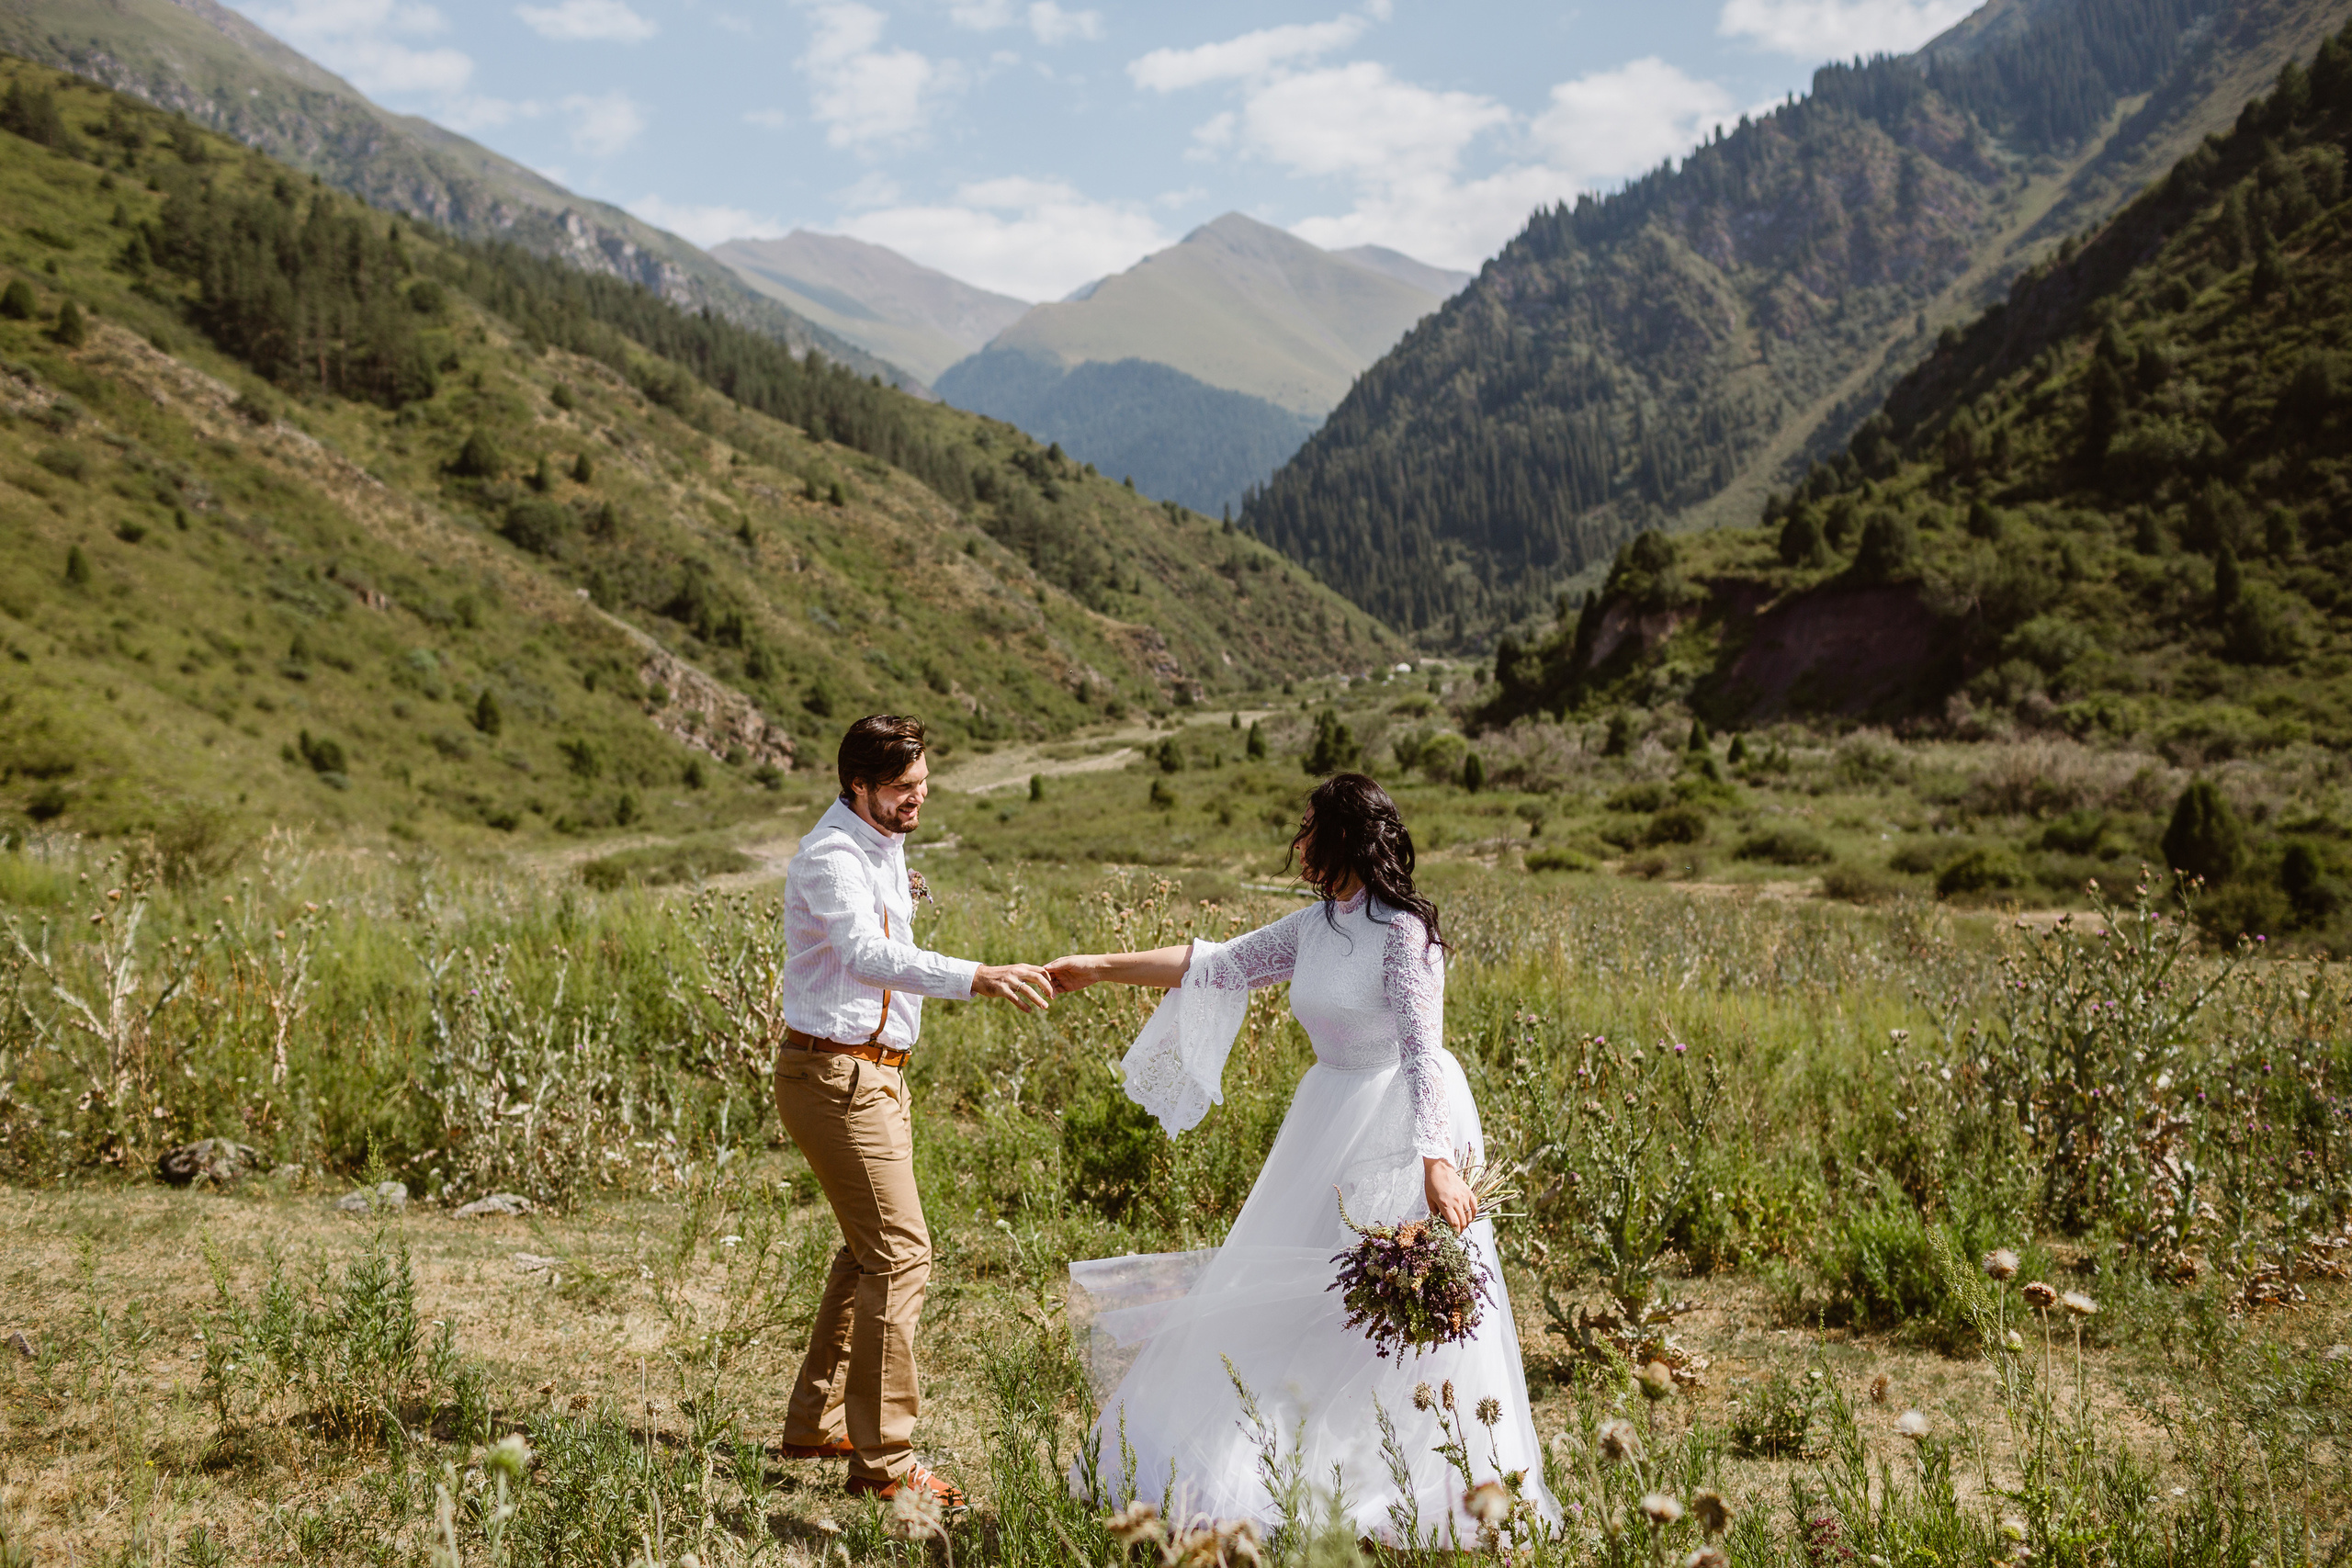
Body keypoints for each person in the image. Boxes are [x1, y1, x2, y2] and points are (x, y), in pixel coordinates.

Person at [1046, 773, 1557, 1541]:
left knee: (1389, 1306)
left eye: (1313, 825)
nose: (1301, 838)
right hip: (1326, 1118)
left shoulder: (1405, 933)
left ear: (1345, 835)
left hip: (1400, 1129)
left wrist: (1437, 1161)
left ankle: (1414, 1476)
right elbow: (1213, 963)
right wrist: (1095, 964)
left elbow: (1423, 1054)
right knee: (1312, 1298)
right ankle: (1300, 1465)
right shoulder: (1318, 924)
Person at [774, 714, 1056, 1509]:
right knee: (901, 1255)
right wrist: (979, 975)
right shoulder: (831, 856)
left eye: (924, 786)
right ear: (857, 785)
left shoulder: (882, 843)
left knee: (868, 1252)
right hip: (835, 1074)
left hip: (872, 1074)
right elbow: (865, 955)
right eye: (902, 789)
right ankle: (885, 1466)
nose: (917, 802)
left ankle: (815, 1419)